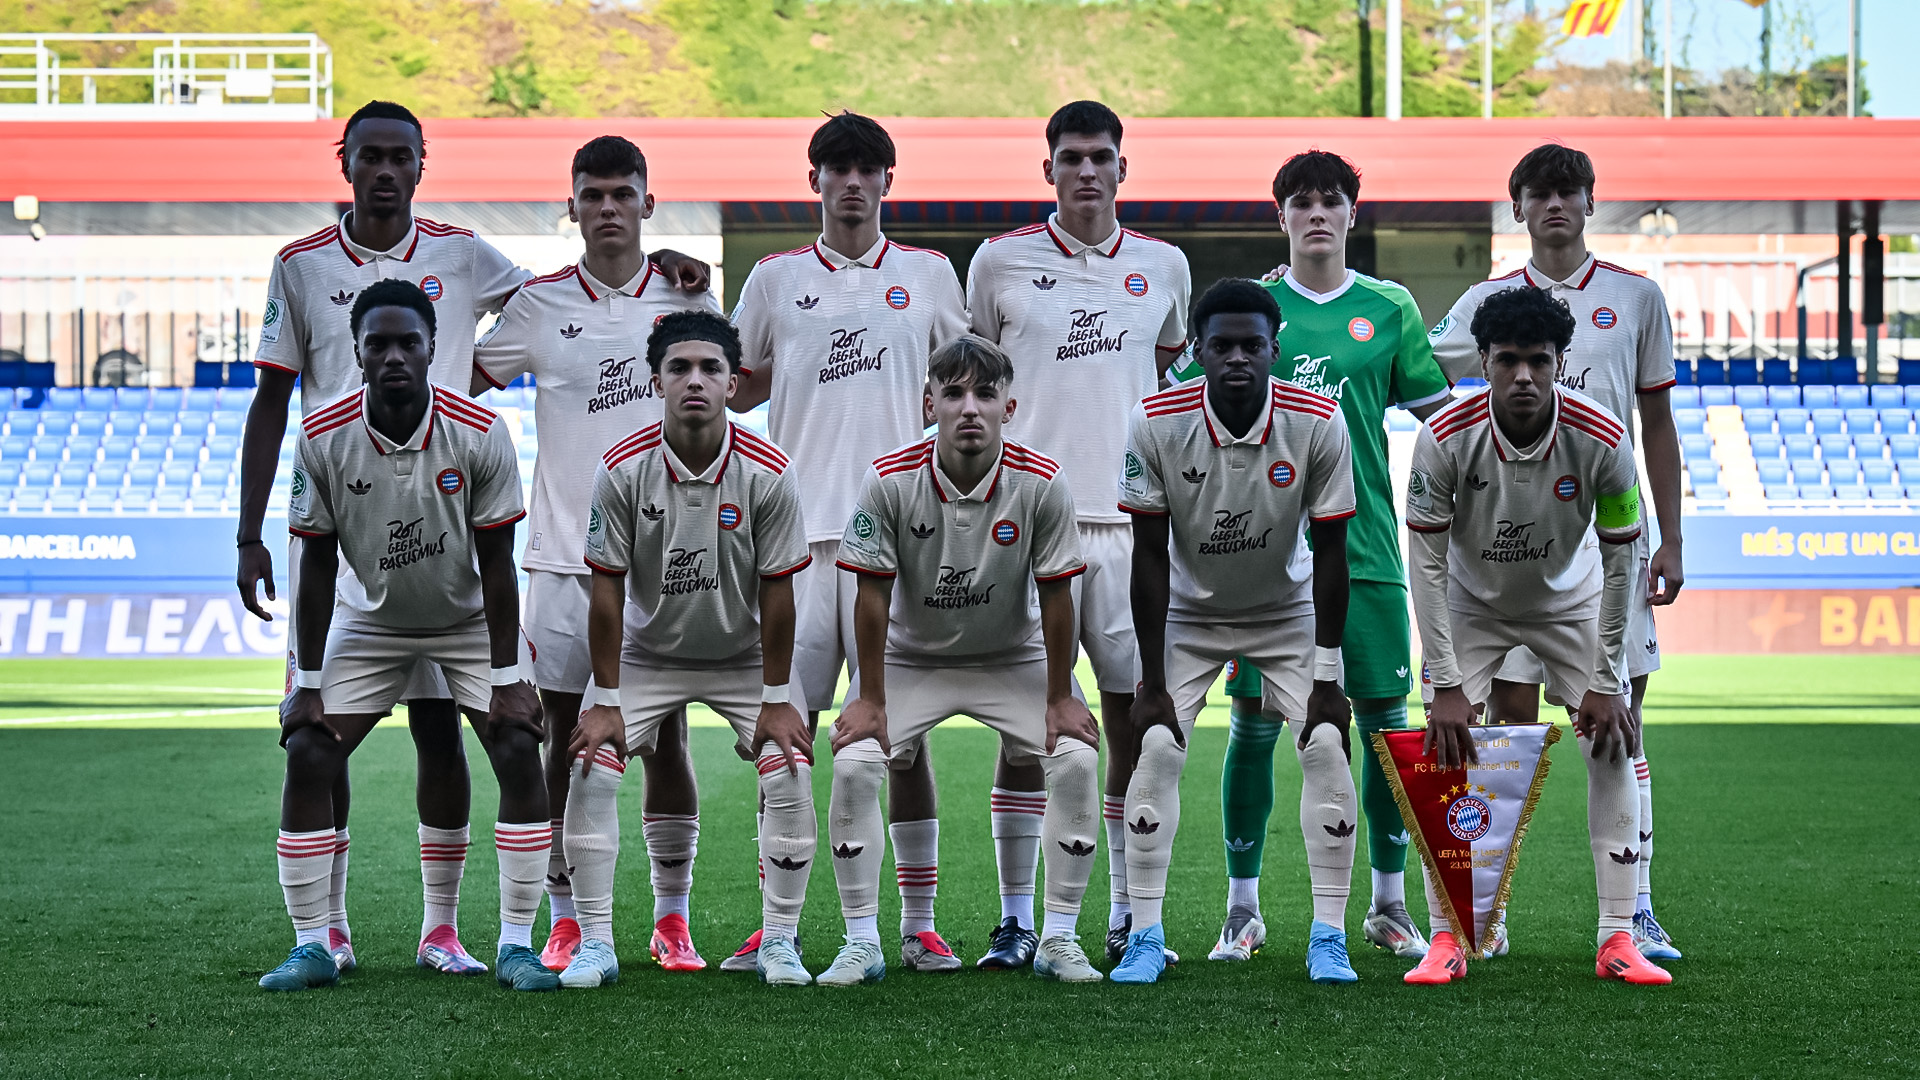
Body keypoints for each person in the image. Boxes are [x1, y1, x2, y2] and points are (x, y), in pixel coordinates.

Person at [238, 100, 525, 977]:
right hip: (342, 519)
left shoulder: (463, 252)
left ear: (422, 164)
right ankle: (327, 932)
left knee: (441, 730)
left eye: (403, 156)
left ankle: (442, 930)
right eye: (372, 157)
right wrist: (249, 534)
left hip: (440, 522)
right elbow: (272, 399)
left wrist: (657, 274)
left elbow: (550, 304)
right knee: (323, 728)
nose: (387, 171)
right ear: (347, 164)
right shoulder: (298, 265)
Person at [258, 279, 555, 993]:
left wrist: (511, 680)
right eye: (378, 345)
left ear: (433, 350)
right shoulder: (323, 435)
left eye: (408, 343)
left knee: (517, 744)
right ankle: (314, 945)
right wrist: (307, 684)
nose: (393, 356)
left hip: (468, 623)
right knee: (308, 748)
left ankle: (516, 944)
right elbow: (319, 564)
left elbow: (497, 563)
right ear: (357, 354)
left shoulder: (480, 431)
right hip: (372, 625)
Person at [1427, 143, 1683, 962]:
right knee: (1500, 732)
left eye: (1569, 191)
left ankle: (1631, 913)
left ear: (1591, 201)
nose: (1556, 206)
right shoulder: (1485, 301)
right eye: (1539, 193)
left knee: (1618, 720)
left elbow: (1658, 423)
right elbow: (1421, 372)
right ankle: (1482, 911)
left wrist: (1668, 533)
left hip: (1599, 538)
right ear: (1519, 208)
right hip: (1496, 548)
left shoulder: (1637, 297)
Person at [726, 111, 969, 974]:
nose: (853, 183)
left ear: (889, 183)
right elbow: (737, 385)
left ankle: (918, 922)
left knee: (902, 740)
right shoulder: (773, 279)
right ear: (815, 181)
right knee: (781, 734)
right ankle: (775, 921)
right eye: (837, 168)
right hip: (792, 543)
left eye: (868, 169)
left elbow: (966, 388)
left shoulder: (932, 276)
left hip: (899, 543)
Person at [471, 134, 721, 974]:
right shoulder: (540, 308)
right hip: (564, 563)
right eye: (592, 194)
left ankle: (672, 917)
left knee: (669, 740)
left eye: (623, 193)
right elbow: (458, 376)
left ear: (649, 204)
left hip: (667, 563)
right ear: (570, 206)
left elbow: (726, 390)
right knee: (559, 737)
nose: (607, 207)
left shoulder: (685, 304)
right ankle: (569, 917)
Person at [965, 99, 1191, 967]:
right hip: (1027, 526)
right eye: (1070, 158)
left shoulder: (1164, 266)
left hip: (1132, 528)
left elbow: (1169, 378)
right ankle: (1019, 920)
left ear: (1123, 170)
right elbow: (976, 380)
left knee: (1138, 718)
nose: (1086, 171)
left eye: (1101, 157)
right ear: (1048, 169)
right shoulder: (999, 261)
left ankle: (1132, 915)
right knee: (1026, 726)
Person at [822, 335, 1104, 985]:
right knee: (859, 761)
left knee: (1078, 756)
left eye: (984, 393)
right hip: (912, 660)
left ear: (1011, 405)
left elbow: (1058, 596)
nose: (969, 408)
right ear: (930, 403)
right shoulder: (890, 477)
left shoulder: (1042, 480)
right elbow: (871, 595)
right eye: (953, 393)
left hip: (1014, 657)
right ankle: (862, 940)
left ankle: (1058, 937)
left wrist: (1062, 695)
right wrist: (868, 695)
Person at [561, 310, 818, 988]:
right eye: (680, 368)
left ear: (734, 383)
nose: (695, 380)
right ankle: (594, 945)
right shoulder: (621, 469)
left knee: (789, 765)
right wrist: (608, 701)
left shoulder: (770, 470)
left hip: (744, 659)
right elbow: (607, 592)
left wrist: (775, 699)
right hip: (648, 657)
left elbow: (779, 594)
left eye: (710, 369)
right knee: (590, 764)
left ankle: (781, 943)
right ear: (656, 382)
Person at [1113, 278, 1358, 986]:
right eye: (1221, 346)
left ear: (1275, 349)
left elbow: (1333, 553)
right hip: (1189, 613)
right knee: (1155, 746)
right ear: (1196, 350)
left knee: (1325, 747)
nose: (1238, 358)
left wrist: (1328, 678)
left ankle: (1329, 936)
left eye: (1253, 345)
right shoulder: (1156, 420)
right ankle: (1146, 936)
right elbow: (1149, 553)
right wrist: (1152, 681)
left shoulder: (1318, 421)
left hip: (1285, 612)